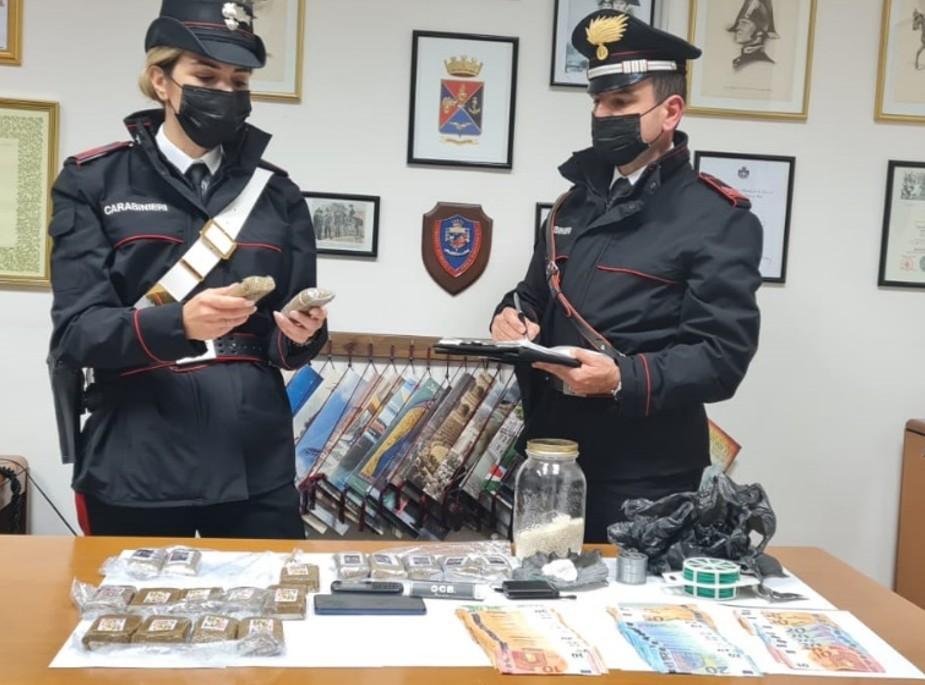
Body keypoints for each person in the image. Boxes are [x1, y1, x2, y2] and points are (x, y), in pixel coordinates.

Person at [48, 0, 327, 538]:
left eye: (238, 81)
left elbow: (286, 339)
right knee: (130, 596)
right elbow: (78, 333)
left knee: (270, 593)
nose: (225, 92)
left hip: (252, 459)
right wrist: (179, 324)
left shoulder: (277, 194)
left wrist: (301, 333)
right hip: (139, 454)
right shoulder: (94, 181)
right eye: (205, 76)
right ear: (161, 81)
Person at [490, 9, 763, 543]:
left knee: (628, 596)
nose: (602, 114)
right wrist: (512, 317)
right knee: (540, 589)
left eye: (620, 103)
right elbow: (534, 295)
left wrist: (620, 378)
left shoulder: (717, 219)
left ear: (670, 111)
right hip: (551, 459)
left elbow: (721, 357)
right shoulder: (572, 206)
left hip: (648, 478)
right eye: (597, 101)